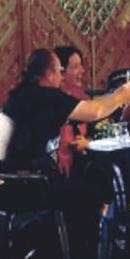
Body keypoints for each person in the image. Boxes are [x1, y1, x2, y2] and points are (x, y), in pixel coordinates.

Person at [0, 48, 130, 259]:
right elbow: (95, 110)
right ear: (48, 73)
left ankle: (72, 251)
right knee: (94, 189)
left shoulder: (22, 94)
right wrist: (121, 95)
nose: (61, 76)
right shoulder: (45, 97)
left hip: (5, 181)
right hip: (26, 184)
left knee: (90, 179)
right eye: (60, 71)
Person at [52, 45, 91, 178]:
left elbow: (97, 132)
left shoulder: (83, 99)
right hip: (53, 171)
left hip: (81, 165)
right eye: (75, 67)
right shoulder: (50, 101)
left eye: (81, 65)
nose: (82, 70)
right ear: (61, 73)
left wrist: (87, 142)